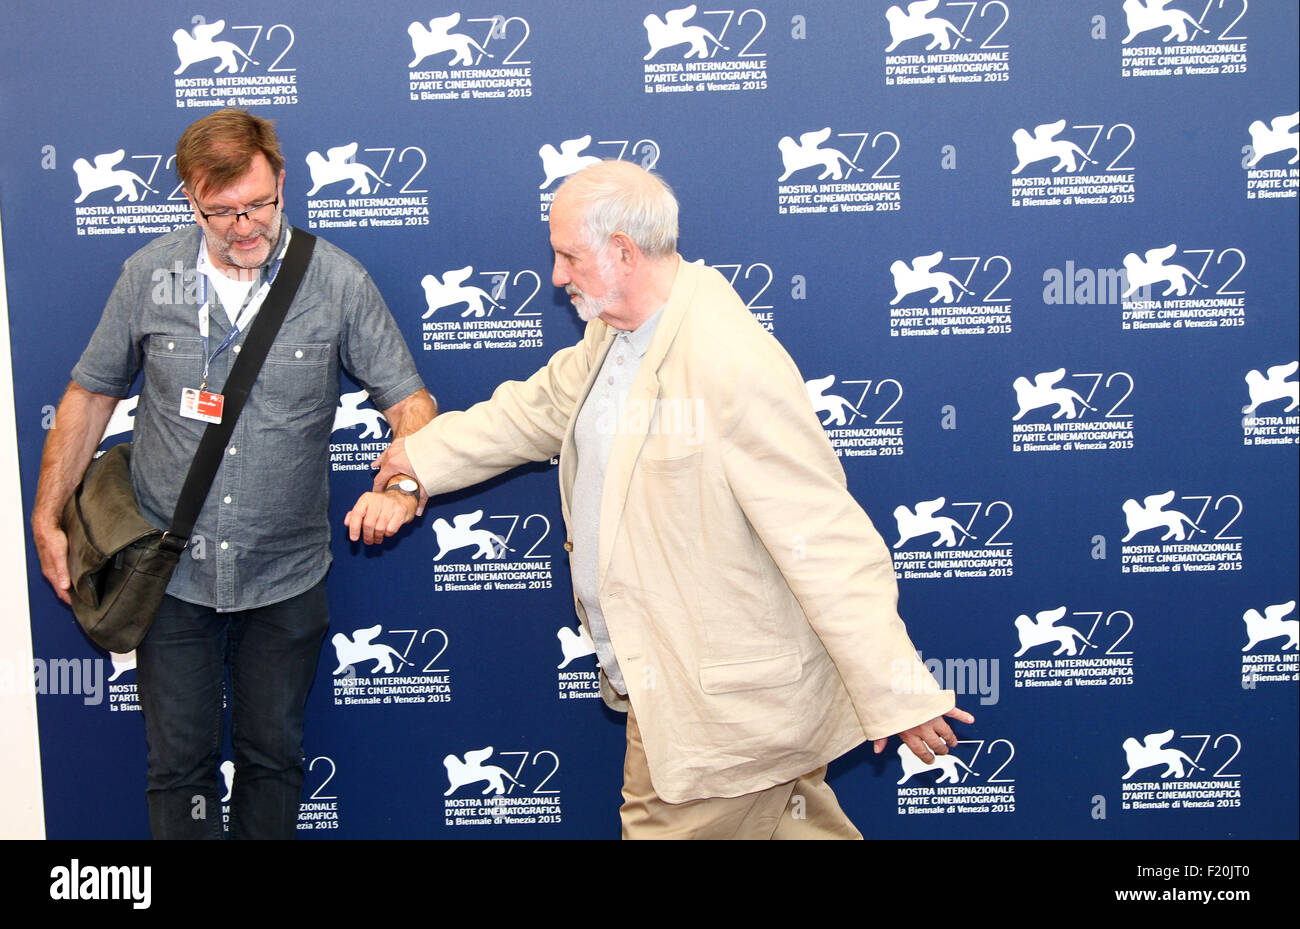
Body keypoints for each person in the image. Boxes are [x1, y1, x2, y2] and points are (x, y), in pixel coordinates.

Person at [349, 159, 970, 839]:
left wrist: (895, 687)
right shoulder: (614, 334)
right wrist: (419, 458)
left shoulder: (727, 362)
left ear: (623, 252)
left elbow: (822, 534)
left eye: (567, 256)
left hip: (719, 711)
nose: (556, 276)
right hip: (709, 690)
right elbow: (535, 410)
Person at [31, 109, 435, 839]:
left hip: (285, 574)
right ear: (191, 198)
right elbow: (91, 393)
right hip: (169, 573)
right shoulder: (151, 276)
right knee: (179, 767)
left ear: (283, 181)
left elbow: (409, 401)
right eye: (221, 212)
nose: (245, 225)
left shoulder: (336, 282)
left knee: (273, 757)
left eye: (259, 203)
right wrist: (46, 514)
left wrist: (403, 484)